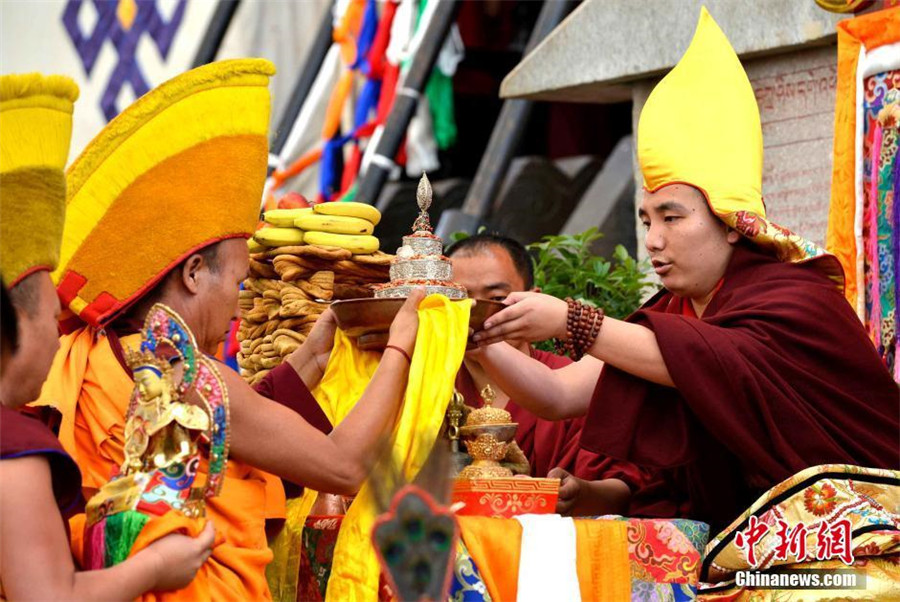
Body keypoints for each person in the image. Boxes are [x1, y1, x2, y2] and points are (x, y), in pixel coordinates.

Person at [471, 8, 899, 531]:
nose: (653, 239)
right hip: (740, 548)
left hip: (857, 538)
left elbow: (708, 361)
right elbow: (558, 395)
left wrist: (571, 321)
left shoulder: (795, 300)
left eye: (672, 217)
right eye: (646, 218)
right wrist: (466, 327)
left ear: (732, 223)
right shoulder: (672, 313)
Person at [36, 59, 424, 600]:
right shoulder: (190, 375)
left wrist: (319, 350)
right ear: (194, 273)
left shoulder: (116, 353)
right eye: (239, 283)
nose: (240, 308)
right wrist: (406, 341)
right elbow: (341, 466)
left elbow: (228, 427)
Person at [0, 73, 213, 600]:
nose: (57, 342)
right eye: (52, 320)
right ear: (11, 325)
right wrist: (158, 566)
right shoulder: (12, 452)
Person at [448, 233, 648, 515]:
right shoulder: (428, 383)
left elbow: (625, 489)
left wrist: (578, 492)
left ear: (533, 300)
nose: (475, 312)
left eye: (496, 298)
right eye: (459, 298)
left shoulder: (574, 381)